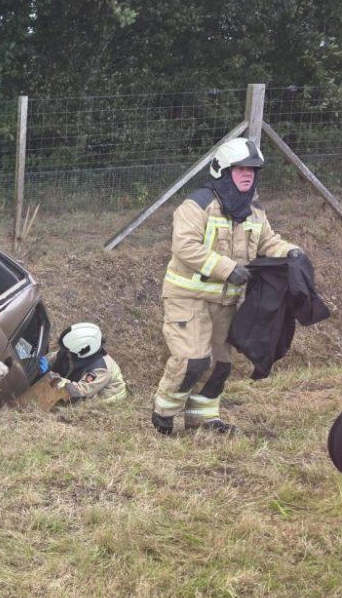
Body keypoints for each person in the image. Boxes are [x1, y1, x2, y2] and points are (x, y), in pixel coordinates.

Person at [151, 138, 302, 435]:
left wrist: (291, 252)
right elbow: (185, 246)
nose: (248, 174)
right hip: (187, 298)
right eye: (241, 169)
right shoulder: (197, 205)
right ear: (222, 169)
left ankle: (203, 418)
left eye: (253, 170)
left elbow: (269, 242)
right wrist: (227, 268)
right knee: (192, 360)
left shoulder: (254, 211)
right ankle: (164, 414)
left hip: (226, 302)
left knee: (219, 364)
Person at [45, 322, 127, 403]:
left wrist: (51, 378)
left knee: (75, 405)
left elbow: (78, 391)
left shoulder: (101, 369)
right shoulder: (73, 350)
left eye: (69, 351)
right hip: (83, 384)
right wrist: (42, 362)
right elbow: (55, 358)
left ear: (83, 350)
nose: (66, 353)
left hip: (104, 397)